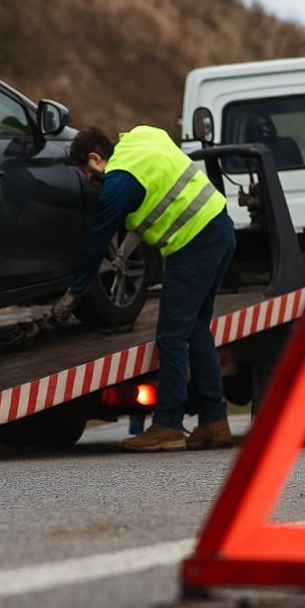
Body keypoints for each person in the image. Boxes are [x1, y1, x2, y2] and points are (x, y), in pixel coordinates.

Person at [49, 126, 236, 452]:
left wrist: (73, 294)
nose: (90, 181)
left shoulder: (119, 182)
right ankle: (214, 422)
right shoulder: (141, 136)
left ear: (96, 158)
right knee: (195, 329)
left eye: (86, 173)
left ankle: (168, 426)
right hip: (220, 228)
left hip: (192, 243)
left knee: (171, 335)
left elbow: (96, 242)